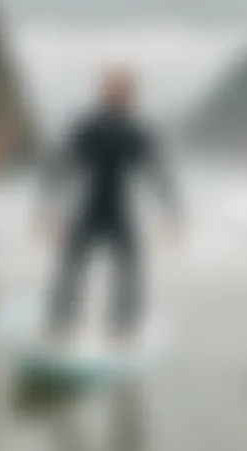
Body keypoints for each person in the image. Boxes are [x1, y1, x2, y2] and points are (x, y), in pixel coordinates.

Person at [42, 65, 180, 343]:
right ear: (103, 91)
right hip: (91, 207)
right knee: (71, 268)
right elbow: (61, 167)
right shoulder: (87, 127)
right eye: (115, 87)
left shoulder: (138, 132)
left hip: (118, 210)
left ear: (133, 94)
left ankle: (123, 327)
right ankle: (60, 324)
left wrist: (172, 213)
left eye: (125, 89)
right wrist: (48, 209)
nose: (120, 93)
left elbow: (158, 174)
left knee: (129, 271)